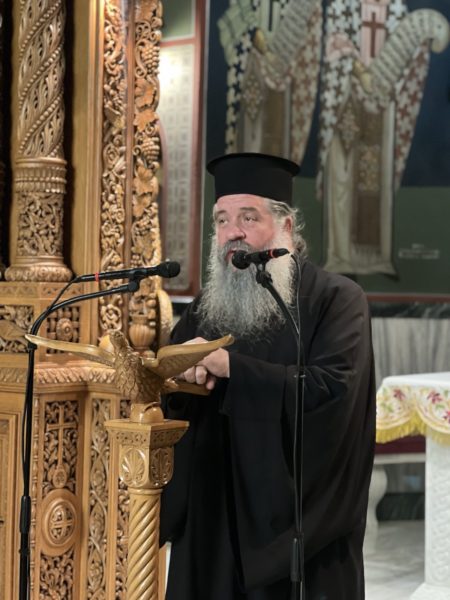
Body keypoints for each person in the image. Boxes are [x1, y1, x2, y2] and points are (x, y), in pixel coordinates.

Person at [160, 153, 376, 600]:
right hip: (214, 523)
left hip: (296, 531)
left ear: (287, 227)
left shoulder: (336, 299)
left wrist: (232, 367)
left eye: (248, 217)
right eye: (221, 220)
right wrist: (179, 378)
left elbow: (334, 391)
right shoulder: (205, 309)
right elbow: (175, 396)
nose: (231, 232)